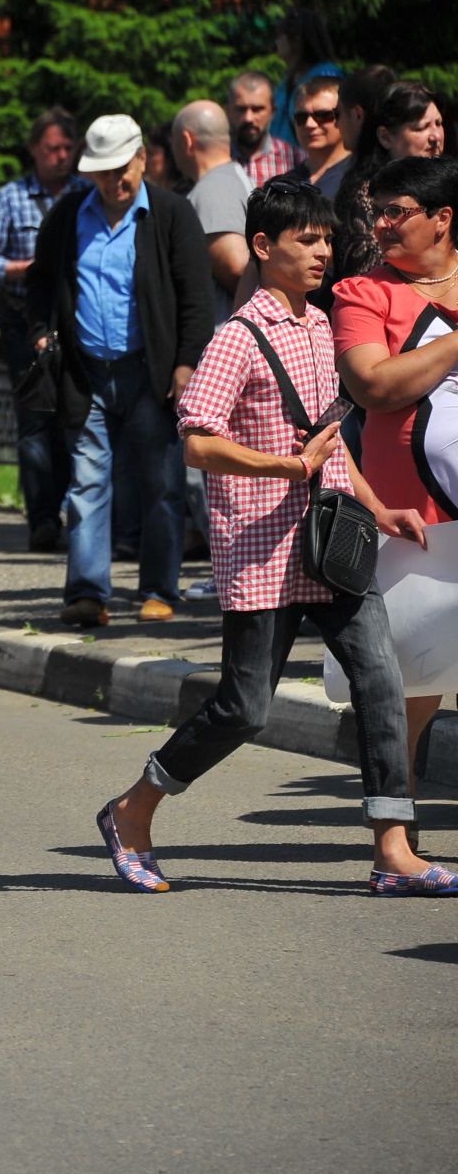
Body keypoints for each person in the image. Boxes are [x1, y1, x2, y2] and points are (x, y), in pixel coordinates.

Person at [97, 180, 455, 895]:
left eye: (327, 239)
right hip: (260, 553)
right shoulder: (237, 337)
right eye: (306, 239)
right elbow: (196, 442)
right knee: (244, 706)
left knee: (383, 679)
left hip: (331, 544)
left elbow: (330, 436)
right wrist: (285, 466)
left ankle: (393, 850)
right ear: (263, 246)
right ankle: (133, 809)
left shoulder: (320, 326)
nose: (323, 251)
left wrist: (378, 507)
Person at [25, 114, 211, 627]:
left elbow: (194, 298)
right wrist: (41, 331)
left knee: (161, 483)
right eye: (103, 172)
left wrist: (185, 364)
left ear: (142, 160)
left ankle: (158, 588)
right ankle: (87, 592)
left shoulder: (172, 214)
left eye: (121, 169)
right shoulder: (67, 216)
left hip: (149, 373)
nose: (114, 181)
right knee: (87, 482)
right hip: (84, 373)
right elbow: (41, 284)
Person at [332, 154, 458, 807]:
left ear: (443, 218)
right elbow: (374, 386)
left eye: (395, 211)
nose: (379, 224)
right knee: (414, 684)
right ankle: (394, 829)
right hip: (413, 524)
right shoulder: (363, 293)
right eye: (374, 211)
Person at [0, 108, 88, 551]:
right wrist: (21, 270)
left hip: (77, 323)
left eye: (67, 149)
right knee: (34, 422)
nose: (61, 157)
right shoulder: (11, 197)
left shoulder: (86, 192)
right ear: (34, 151)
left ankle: (73, 512)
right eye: (52, 150)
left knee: (75, 417)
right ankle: (42, 518)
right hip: (24, 323)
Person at [334, 82, 446, 282]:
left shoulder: (446, 185)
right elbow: (363, 277)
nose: (436, 137)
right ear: (385, 137)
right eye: (421, 128)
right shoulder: (365, 196)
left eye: (438, 123)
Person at [171, 100, 253, 325]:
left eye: (173, 140)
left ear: (187, 140)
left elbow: (235, 266)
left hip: (222, 339)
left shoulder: (213, 188)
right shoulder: (229, 178)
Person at [273, 76, 354, 201]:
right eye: (301, 117)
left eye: (323, 115)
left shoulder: (362, 176)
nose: (309, 124)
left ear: (345, 116)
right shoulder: (286, 184)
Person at [270, 9, 341, 148]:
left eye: (279, 36)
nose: (276, 42)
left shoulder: (327, 77)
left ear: (295, 39)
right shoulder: (288, 81)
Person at [230, 71, 301, 187]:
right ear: (228, 110)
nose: (248, 118)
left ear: (273, 111)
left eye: (257, 109)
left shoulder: (295, 160)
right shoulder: (211, 159)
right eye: (241, 109)